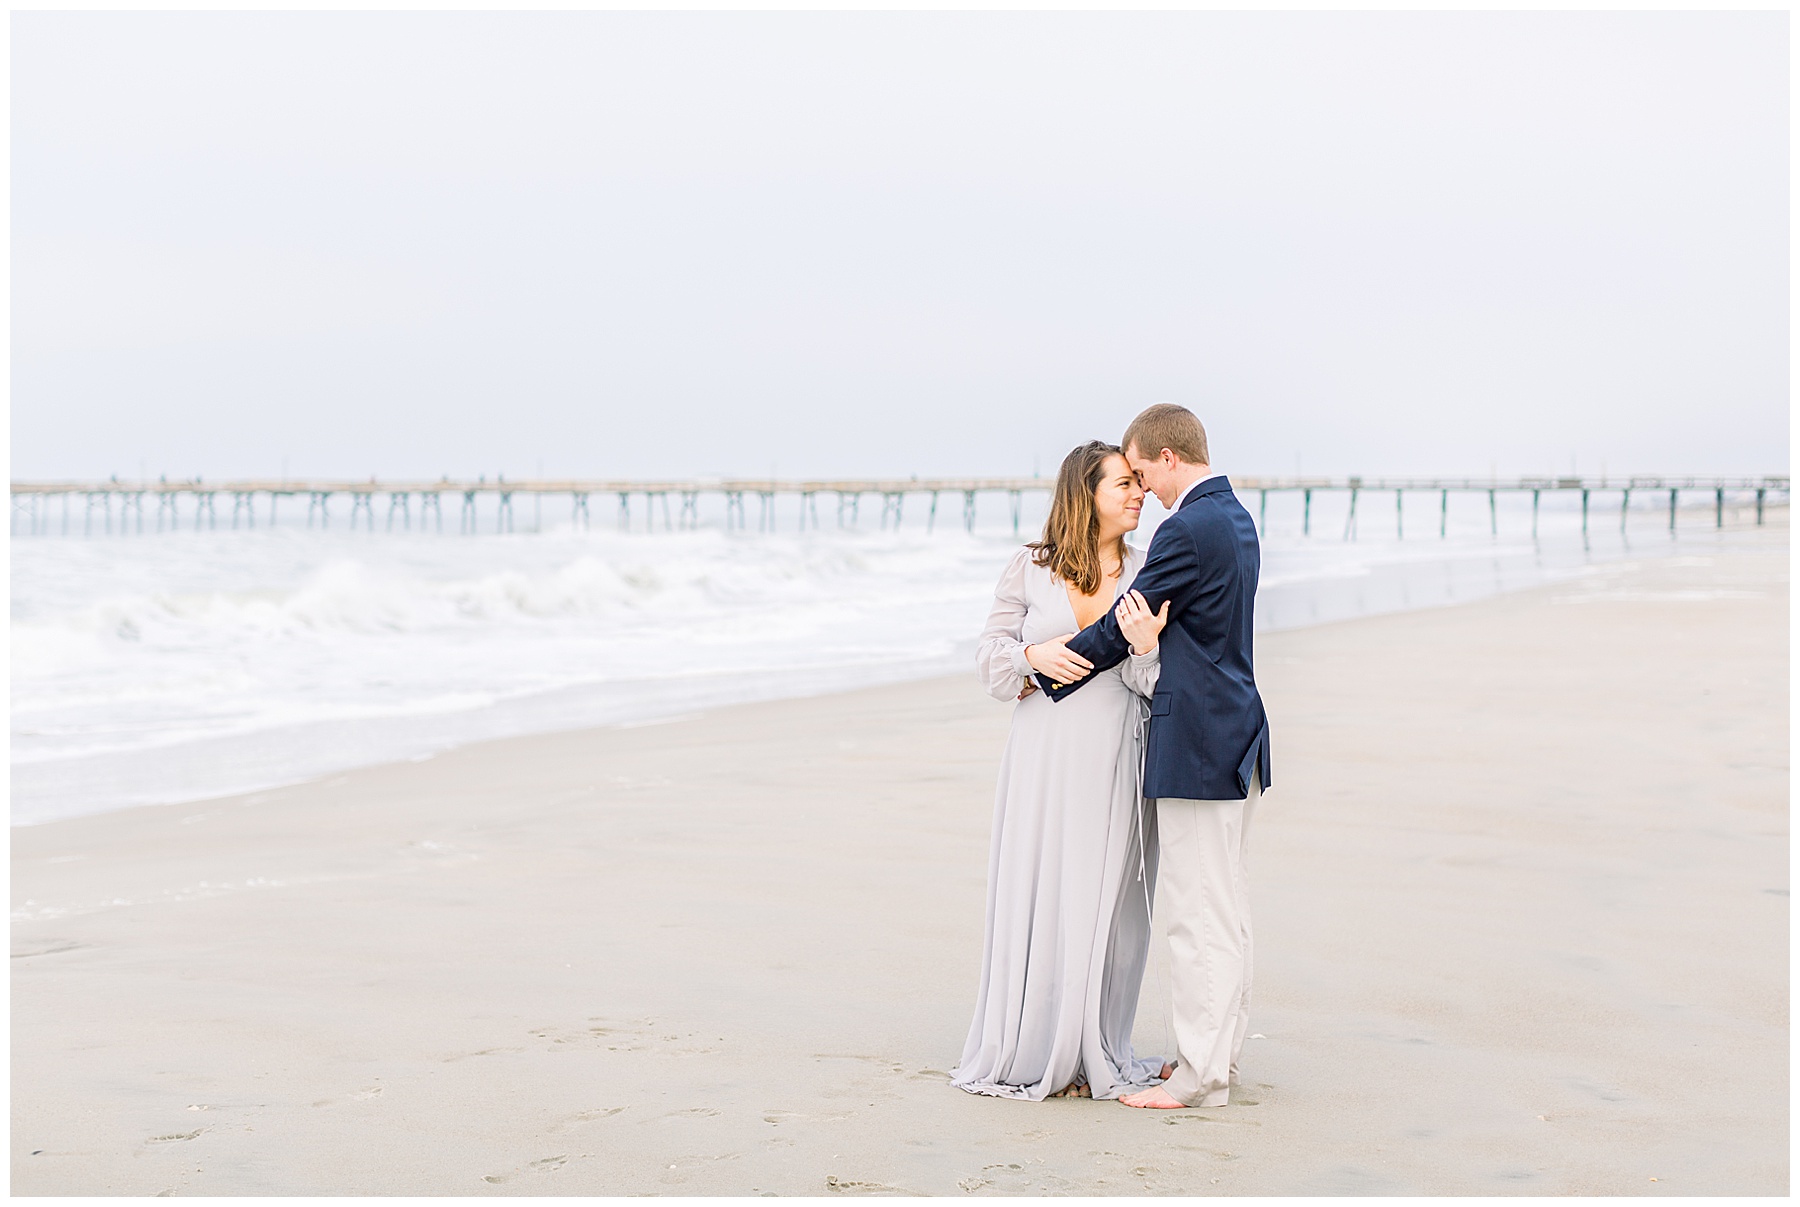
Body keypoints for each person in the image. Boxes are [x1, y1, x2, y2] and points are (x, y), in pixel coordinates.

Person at [1034, 404, 1270, 1110]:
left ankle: (1201, 1077)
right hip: (1235, 735)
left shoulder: (1188, 526)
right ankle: (1217, 1053)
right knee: (1225, 910)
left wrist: (1049, 667)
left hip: (1198, 742)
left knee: (1196, 914)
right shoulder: (1235, 518)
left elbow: (1125, 619)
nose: (1142, 489)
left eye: (1141, 471)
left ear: (1170, 458)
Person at [951, 440, 1177, 1101]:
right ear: (1085, 493)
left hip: (1114, 752)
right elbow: (990, 660)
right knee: (1042, 887)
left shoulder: (1146, 571)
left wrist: (1146, 647)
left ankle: (1093, 1050)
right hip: (1041, 758)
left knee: (1107, 900)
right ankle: (1035, 1042)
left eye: (1140, 483)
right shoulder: (1029, 567)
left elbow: (1153, 684)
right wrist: (1033, 654)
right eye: (1124, 484)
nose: (1139, 494)